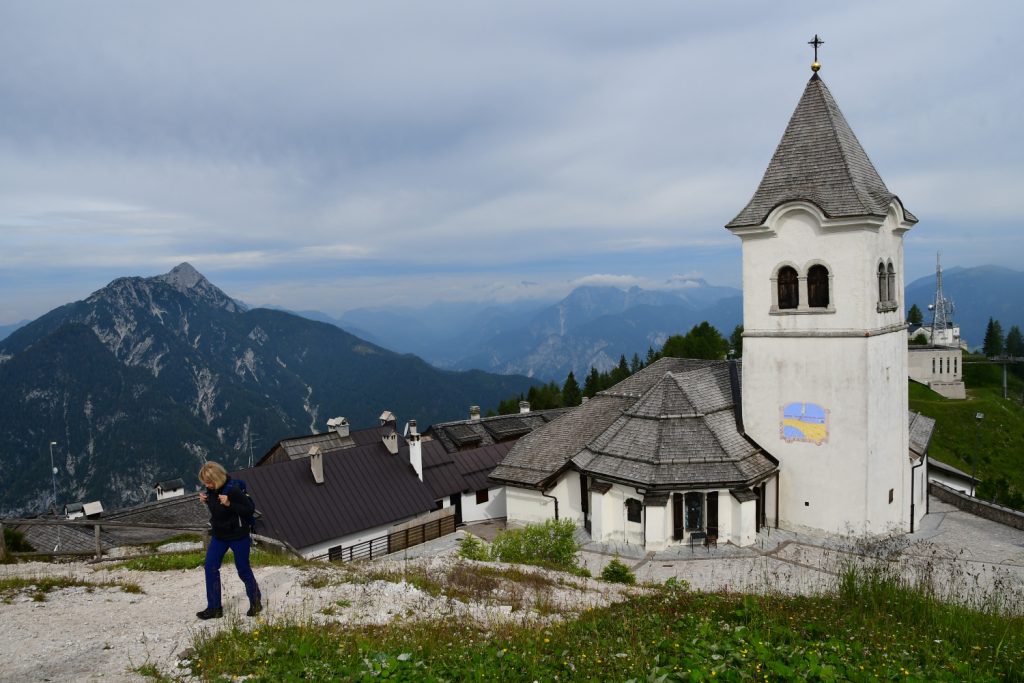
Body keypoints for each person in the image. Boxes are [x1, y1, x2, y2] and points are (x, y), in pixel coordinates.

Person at [196, 461, 262, 619]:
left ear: (217, 478)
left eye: (209, 482)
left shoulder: (233, 490)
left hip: (238, 536)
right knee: (210, 567)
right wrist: (206, 500)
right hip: (219, 535)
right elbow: (218, 511)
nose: (206, 485)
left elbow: (249, 510)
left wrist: (230, 503)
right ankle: (214, 608)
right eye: (205, 482)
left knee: (243, 569)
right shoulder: (212, 490)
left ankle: (256, 602)